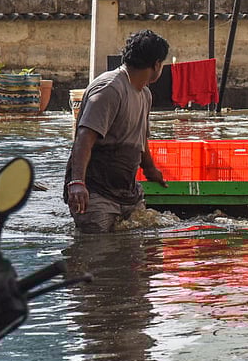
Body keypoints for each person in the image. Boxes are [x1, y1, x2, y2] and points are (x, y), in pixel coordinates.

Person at [64, 30, 170, 233]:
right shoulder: (109, 89)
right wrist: (77, 182)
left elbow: (140, 138)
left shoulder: (145, 94)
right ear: (157, 64)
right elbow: (84, 137)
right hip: (96, 191)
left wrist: (150, 169)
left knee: (133, 251)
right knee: (97, 250)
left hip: (126, 191)